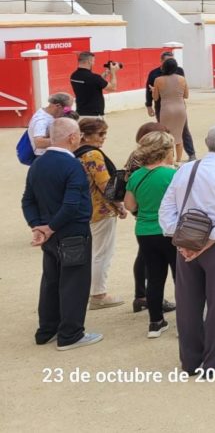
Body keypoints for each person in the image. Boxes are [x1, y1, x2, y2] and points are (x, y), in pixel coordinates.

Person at [158, 125, 215, 375]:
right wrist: (207, 242)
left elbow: (166, 209)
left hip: (185, 243)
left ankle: (191, 360)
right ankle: (213, 359)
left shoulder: (186, 169)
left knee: (187, 304)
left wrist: (181, 240)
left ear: (206, 142)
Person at [23, 117, 103, 350]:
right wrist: (48, 227)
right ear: (72, 137)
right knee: (74, 282)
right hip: (72, 232)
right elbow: (71, 205)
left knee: (51, 280)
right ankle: (71, 334)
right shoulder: (72, 166)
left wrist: (38, 226)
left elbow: (28, 200)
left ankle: (47, 329)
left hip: (50, 232)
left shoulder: (38, 163)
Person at [123, 131, 178, 338]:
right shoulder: (172, 174)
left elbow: (130, 205)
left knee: (155, 278)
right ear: (165, 152)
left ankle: (155, 322)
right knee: (180, 276)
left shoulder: (136, 175)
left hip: (145, 231)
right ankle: (185, 320)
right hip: (170, 230)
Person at [74, 117, 127, 310]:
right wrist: (120, 205)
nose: (103, 138)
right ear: (86, 136)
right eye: (100, 134)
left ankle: (91, 290)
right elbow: (106, 185)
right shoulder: (93, 155)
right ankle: (98, 294)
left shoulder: (75, 153)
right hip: (100, 208)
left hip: (84, 207)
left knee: (94, 251)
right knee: (102, 252)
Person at [145, 52, 196, 160]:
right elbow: (186, 95)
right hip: (179, 107)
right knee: (180, 134)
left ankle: (170, 159)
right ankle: (178, 160)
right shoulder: (180, 76)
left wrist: (155, 91)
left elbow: (155, 97)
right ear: (162, 61)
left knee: (165, 134)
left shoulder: (157, 79)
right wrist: (148, 105)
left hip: (164, 108)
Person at [70, 51, 118, 117]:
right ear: (89, 61)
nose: (94, 63)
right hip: (94, 115)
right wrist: (113, 73)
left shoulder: (74, 75)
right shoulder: (94, 78)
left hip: (80, 113)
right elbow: (112, 88)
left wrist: (105, 74)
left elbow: (92, 83)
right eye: (93, 61)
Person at [28, 93, 73, 158]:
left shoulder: (47, 114)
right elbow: (39, 143)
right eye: (67, 109)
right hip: (44, 156)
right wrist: (65, 140)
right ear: (58, 106)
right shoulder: (41, 121)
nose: (67, 112)